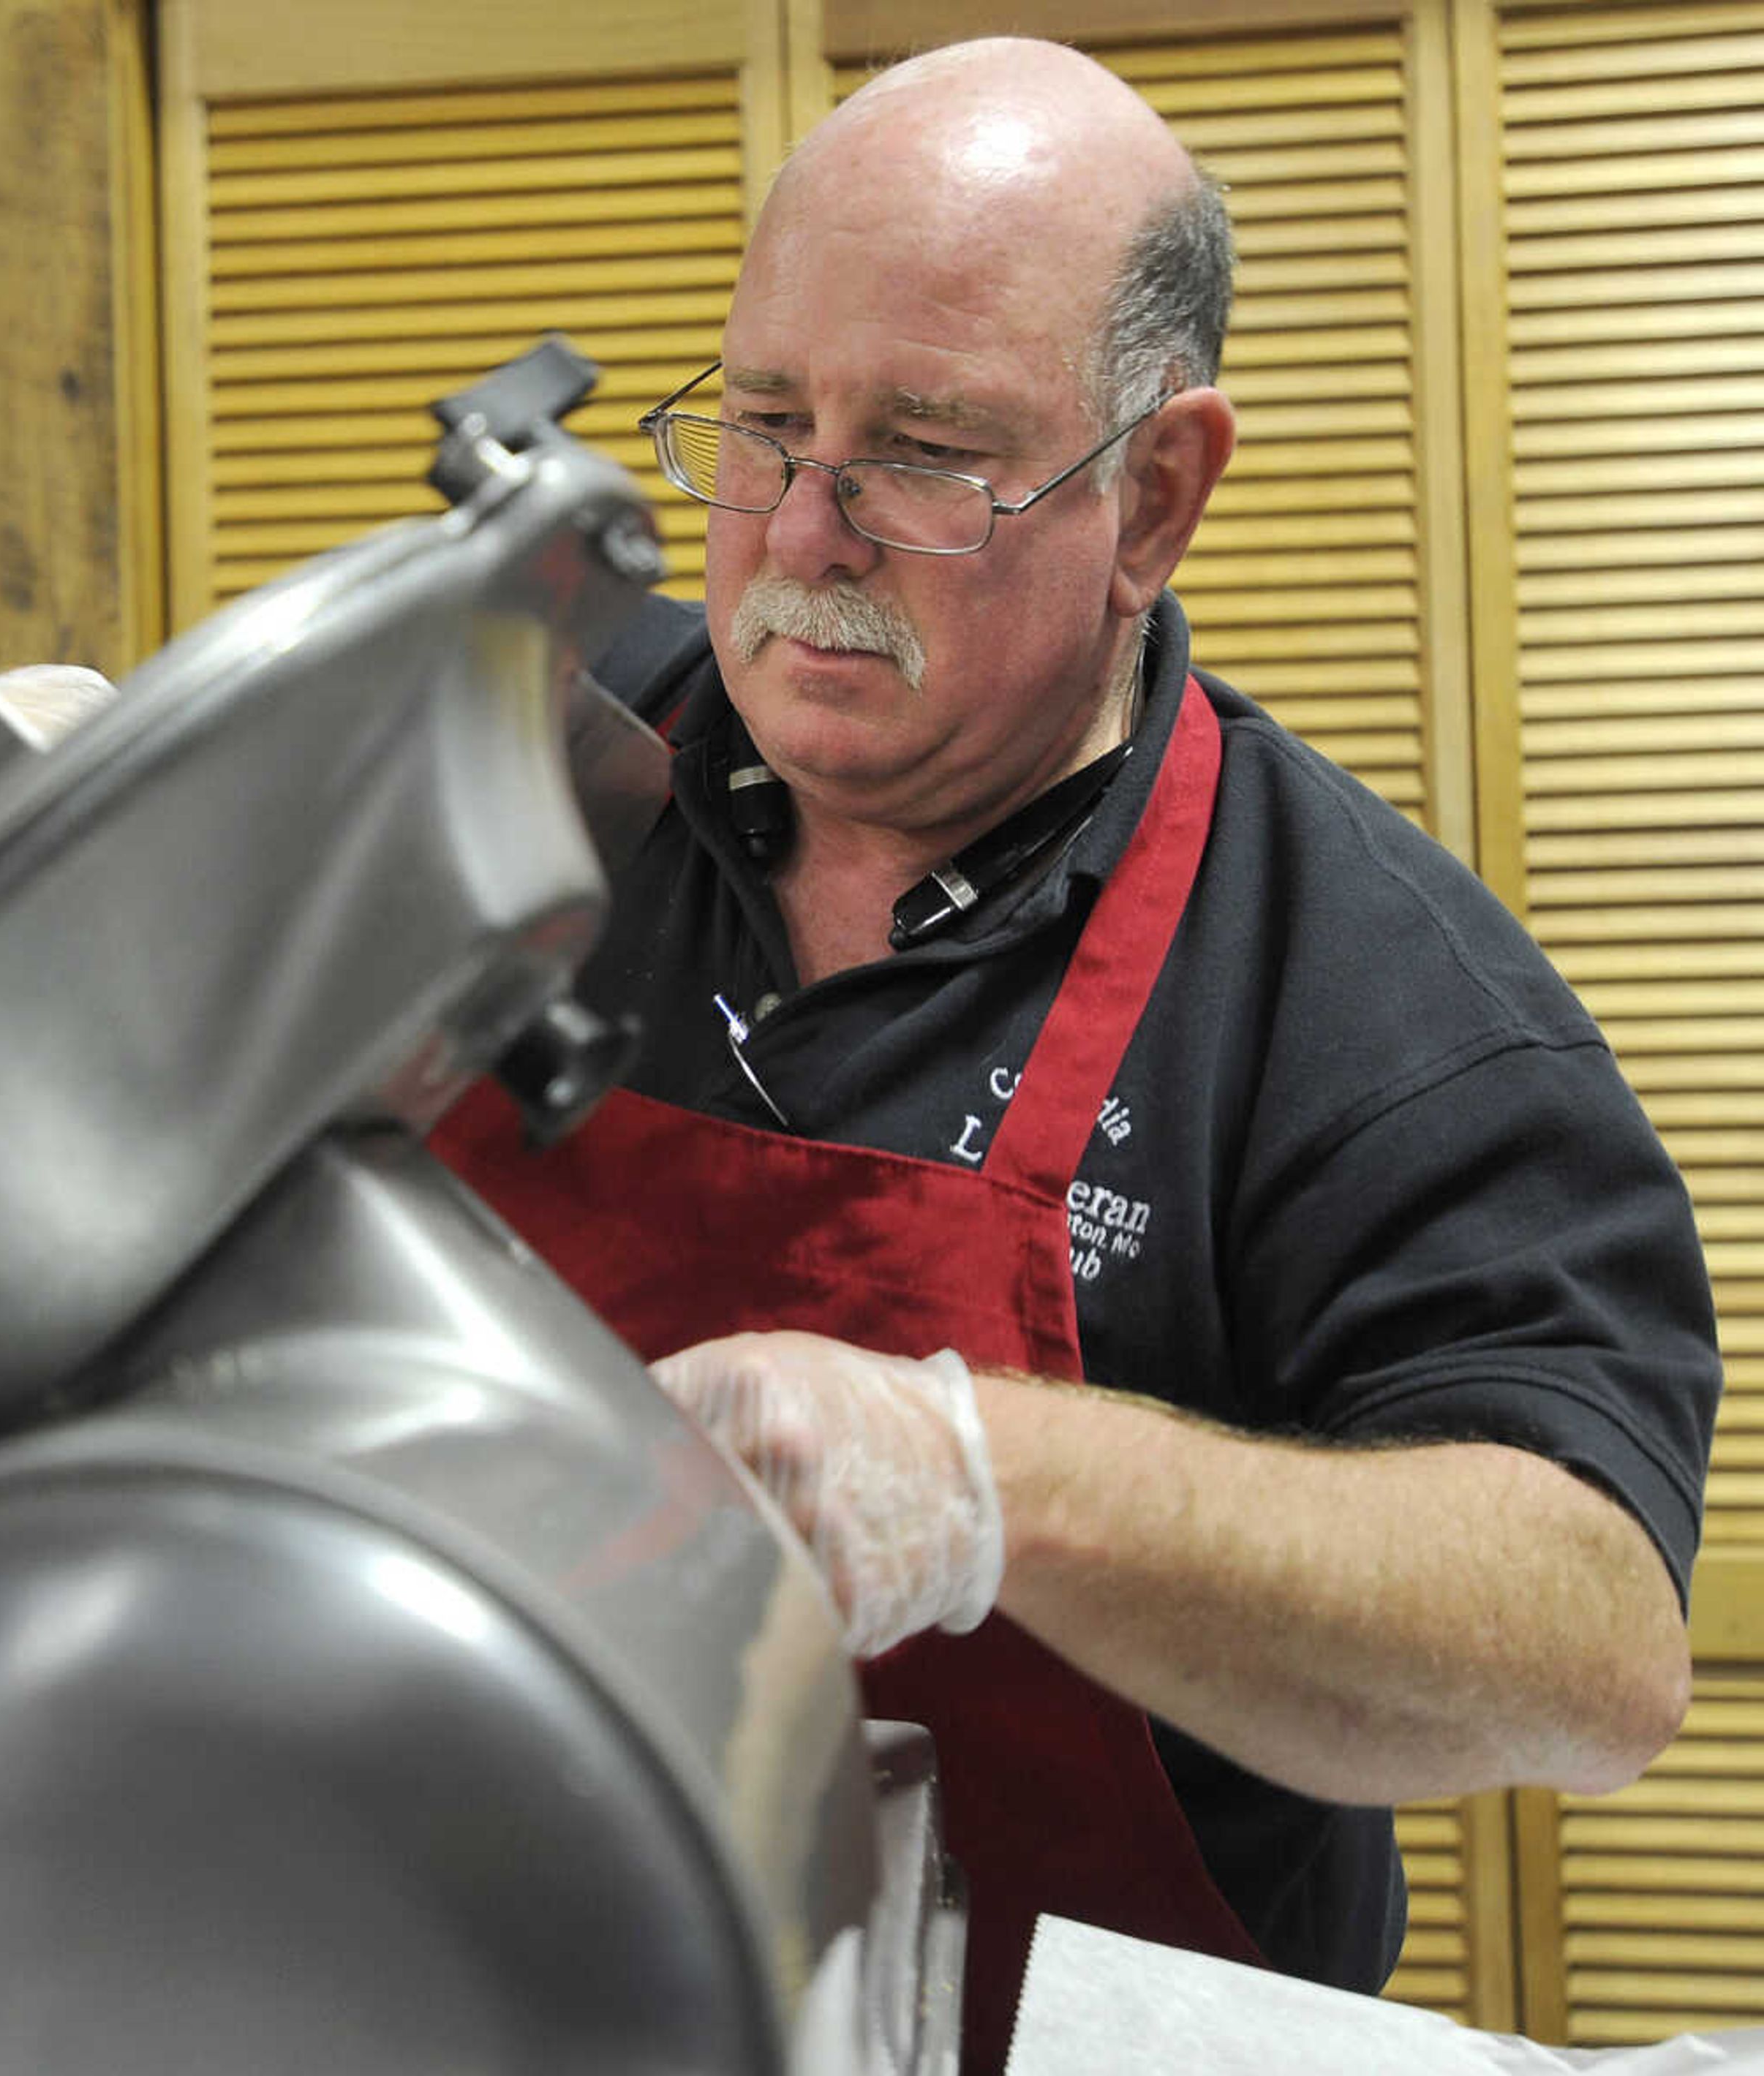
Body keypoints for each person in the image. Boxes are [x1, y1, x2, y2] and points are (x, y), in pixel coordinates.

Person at [430, 35, 1720, 2072]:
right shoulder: (509, 750)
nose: (802, 536)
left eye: (929, 451)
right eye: (767, 423)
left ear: (1157, 492)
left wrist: (971, 1478)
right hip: (446, 1964)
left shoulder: (1361, 992)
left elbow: (1587, 1653)